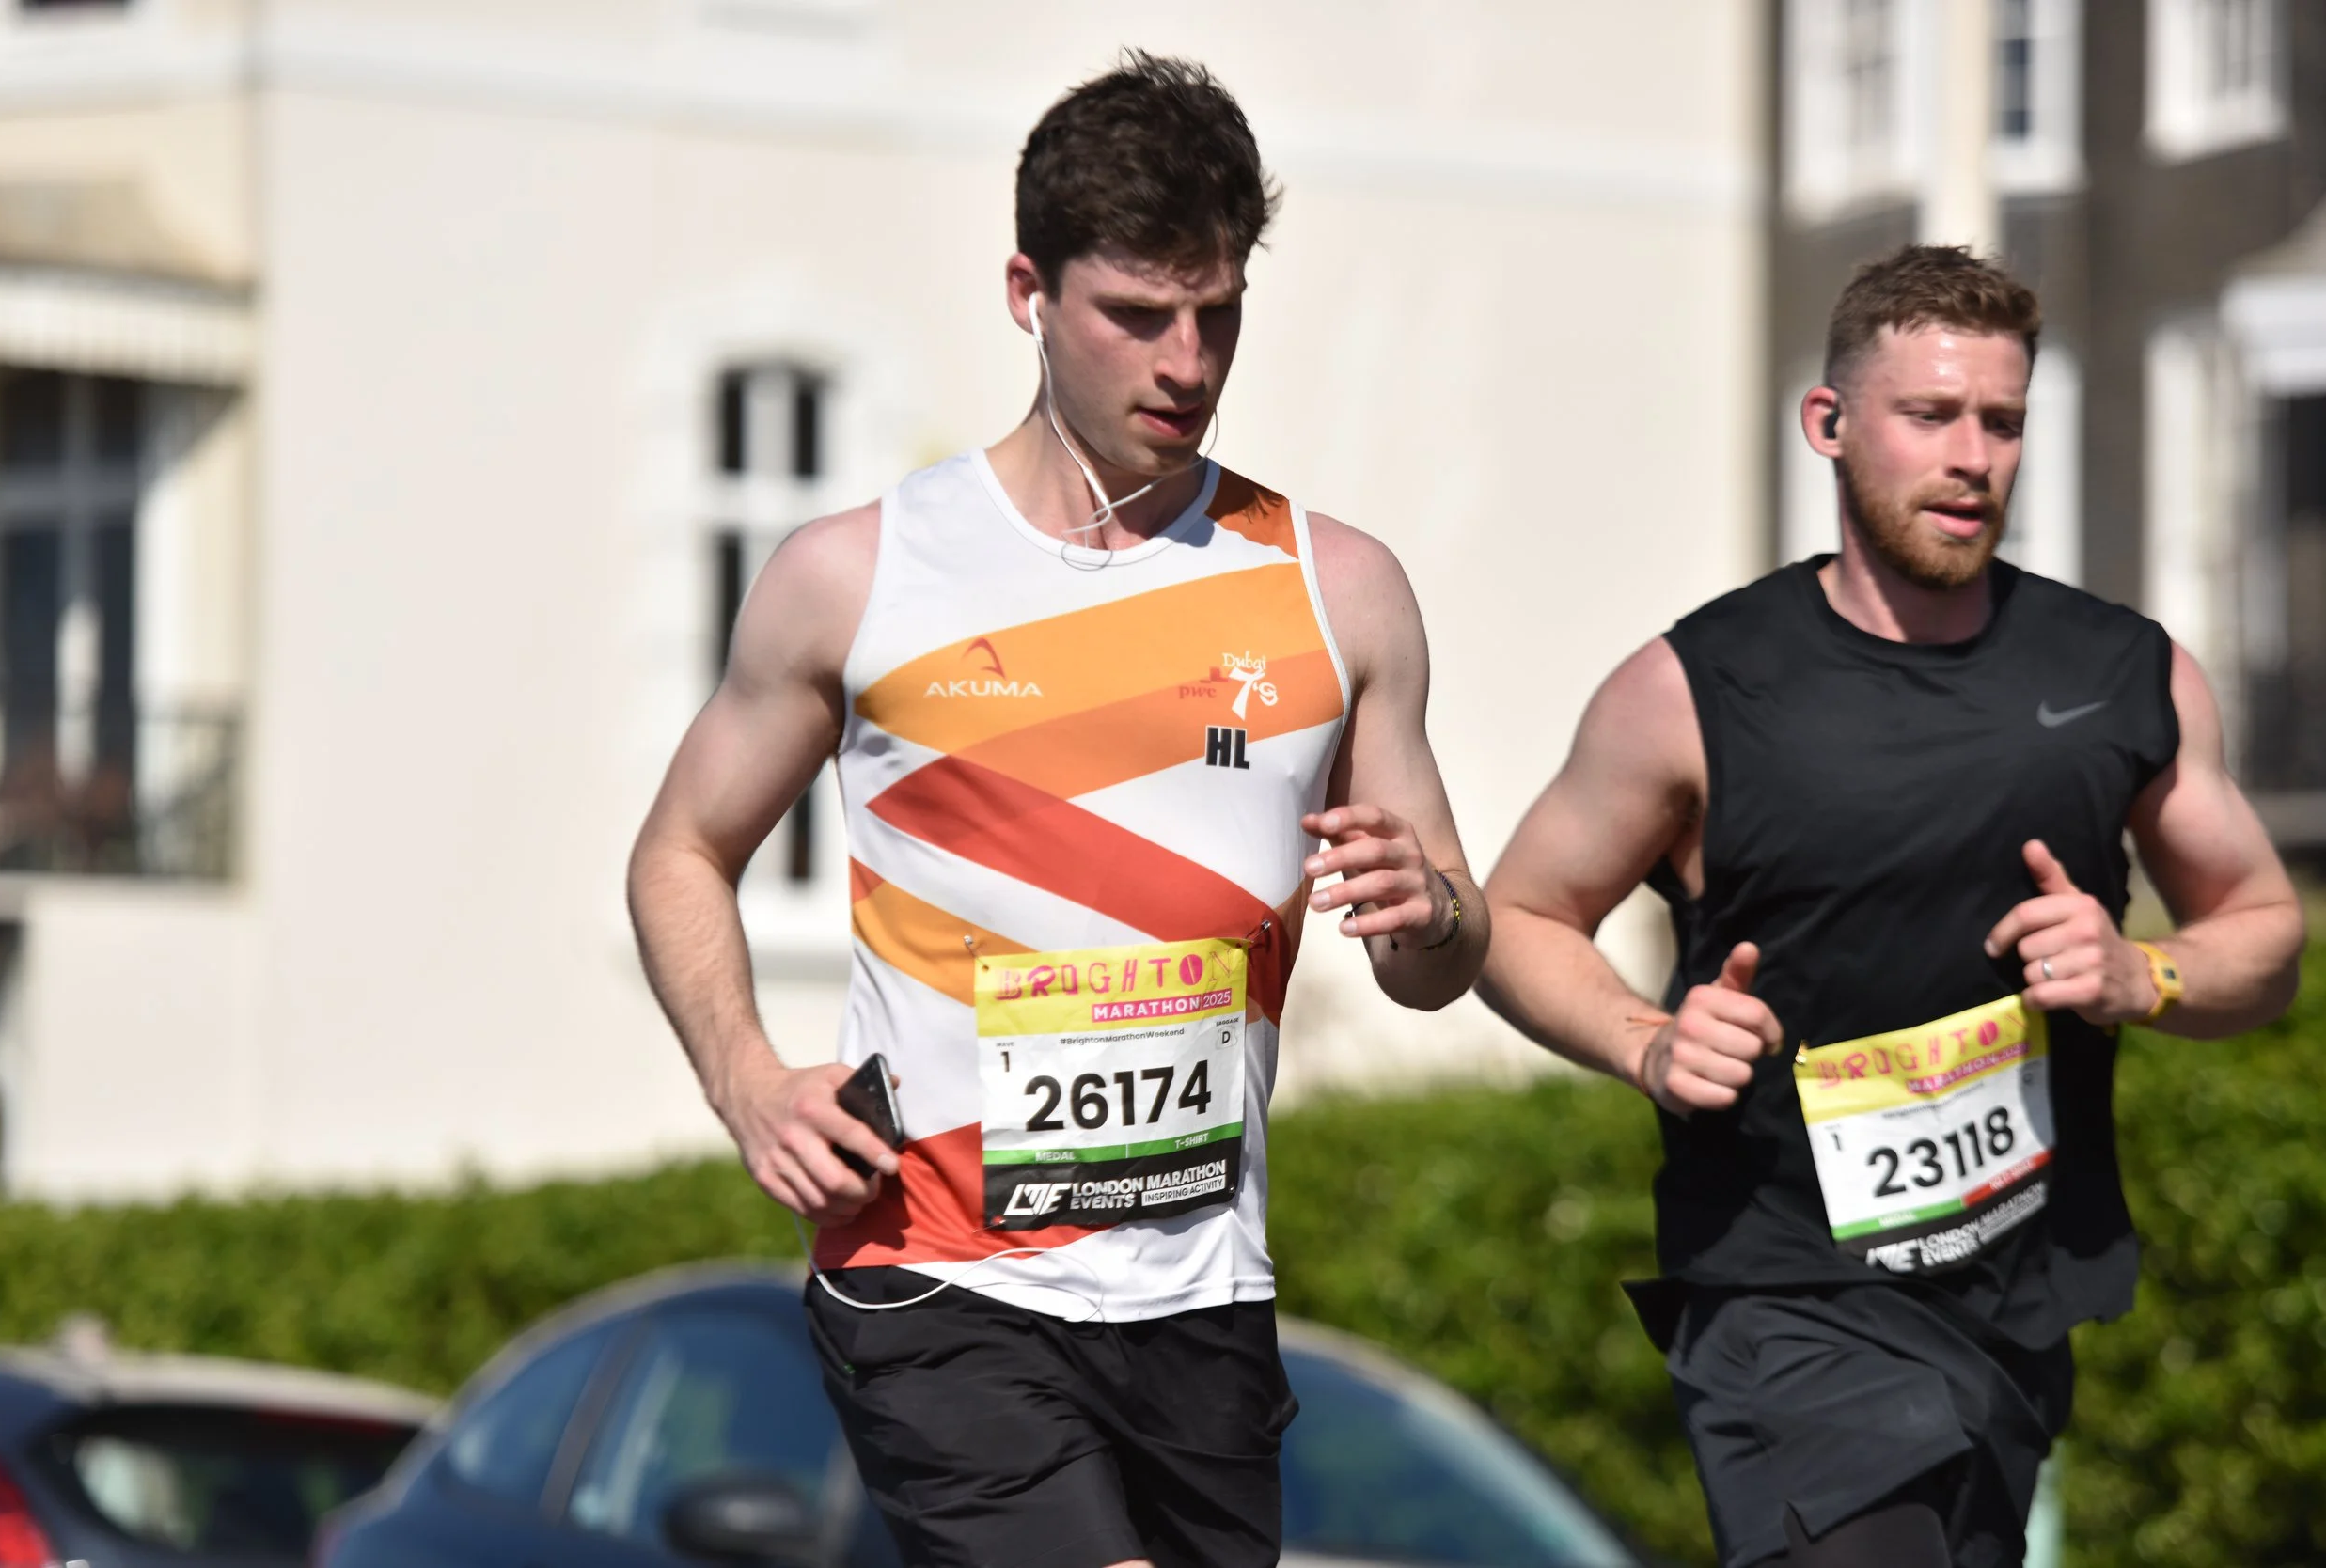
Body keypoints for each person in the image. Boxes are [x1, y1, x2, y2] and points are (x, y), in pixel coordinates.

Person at [626, 51, 1487, 1568]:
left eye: (1217, 314)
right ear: (1028, 291)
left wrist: (1432, 907)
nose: (1187, 362)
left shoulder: (1337, 589)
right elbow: (682, 852)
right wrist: (745, 1078)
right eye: (1138, 315)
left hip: (1202, 1290)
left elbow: (1440, 964)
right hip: (936, 1272)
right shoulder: (860, 573)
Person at [1478, 245, 2304, 1568]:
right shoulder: (1695, 688)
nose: (1973, 457)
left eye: (2002, 421)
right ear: (1830, 422)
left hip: (2008, 1301)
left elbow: (2264, 933)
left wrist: (2142, 973)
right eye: (1930, 415)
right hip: (1787, 1298)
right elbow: (1518, 916)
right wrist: (1647, 1041)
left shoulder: (2123, 674)